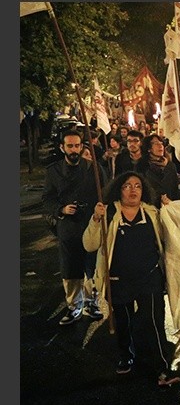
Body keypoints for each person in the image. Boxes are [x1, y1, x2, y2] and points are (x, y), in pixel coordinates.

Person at [82, 171, 180, 387]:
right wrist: (96, 219)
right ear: (119, 189)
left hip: (149, 278)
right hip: (118, 280)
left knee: (155, 322)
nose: (133, 189)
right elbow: (89, 245)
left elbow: (172, 235)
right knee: (124, 322)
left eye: (137, 185)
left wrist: (171, 209)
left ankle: (163, 367)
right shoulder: (108, 214)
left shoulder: (153, 213)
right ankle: (126, 353)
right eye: (127, 186)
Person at [42, 129, 105, 325]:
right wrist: (61, 209)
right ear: (62, 147)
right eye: (70, 146)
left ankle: (91, 302)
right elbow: (47, 199)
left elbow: (105, 192)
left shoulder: (94, 169)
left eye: (77, 145)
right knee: (70, 269)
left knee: (92, 267)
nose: (74, 150)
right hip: (68, 228)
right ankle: (74, 306)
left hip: (90, 226)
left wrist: (101, 211)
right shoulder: (53, 171)